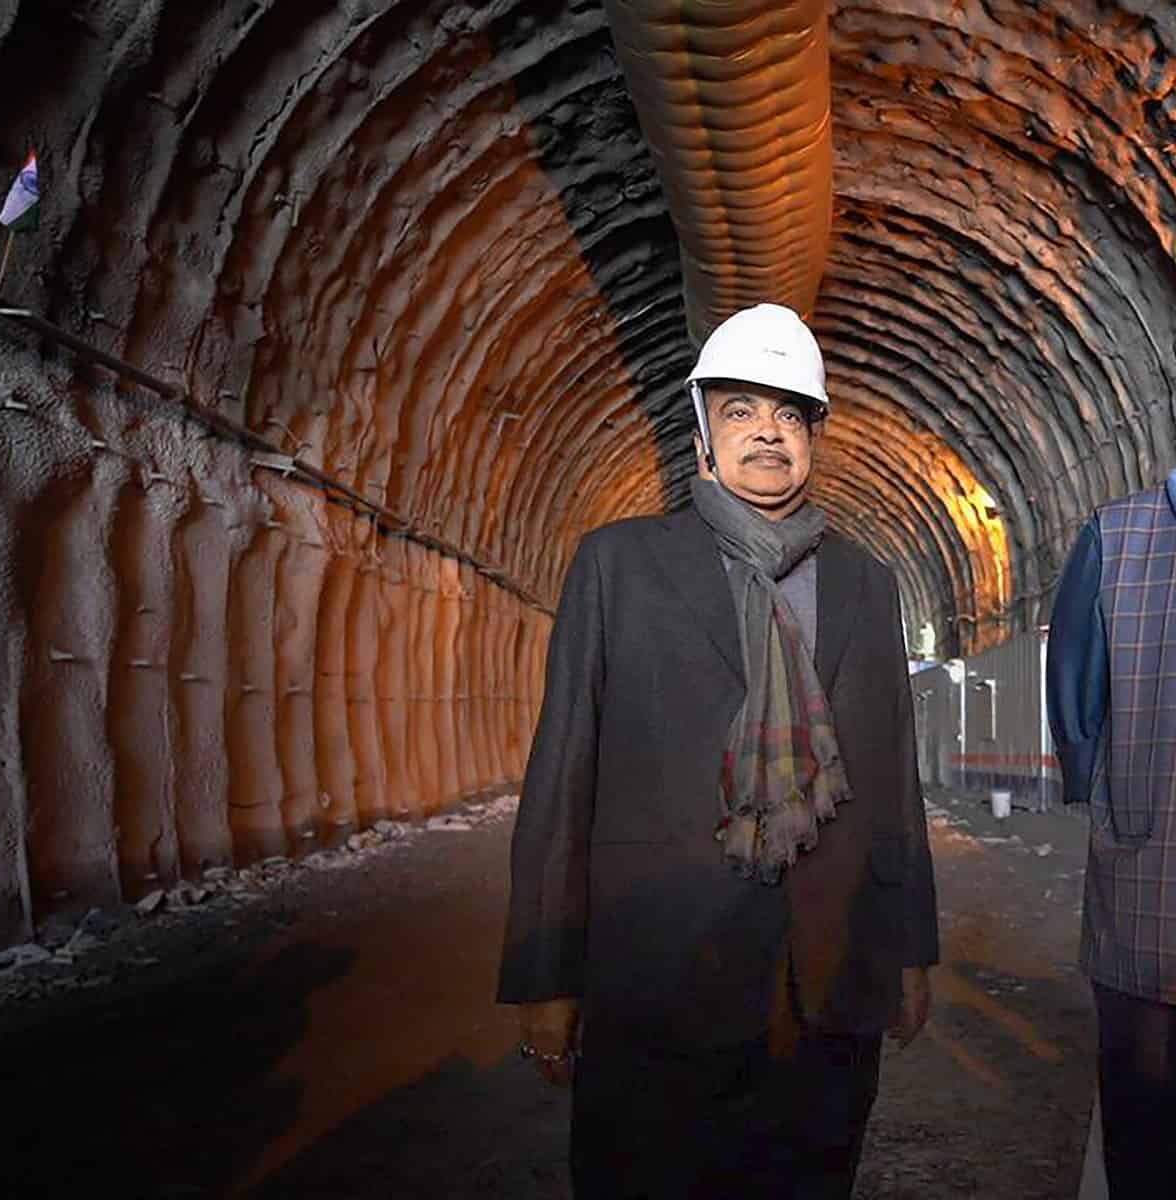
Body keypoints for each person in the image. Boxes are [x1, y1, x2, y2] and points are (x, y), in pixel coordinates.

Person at [498, 303, 938, 1198]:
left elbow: (895, 778)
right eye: (740, 410)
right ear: (703, 435)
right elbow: (564, 773)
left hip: (824, 976)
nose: (767, 433)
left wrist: (910, 949)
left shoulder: (866, 581)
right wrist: (546, 974)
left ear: (814, 436)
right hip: (661, 973)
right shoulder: (617, 566)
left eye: (788, 414)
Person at [1047, 473, 1176, 1198]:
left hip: (1146, 853)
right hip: (1151, 885)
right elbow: (1075, 687)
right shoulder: (1117, 535)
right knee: (1145, 1112)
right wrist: (1107, 789)